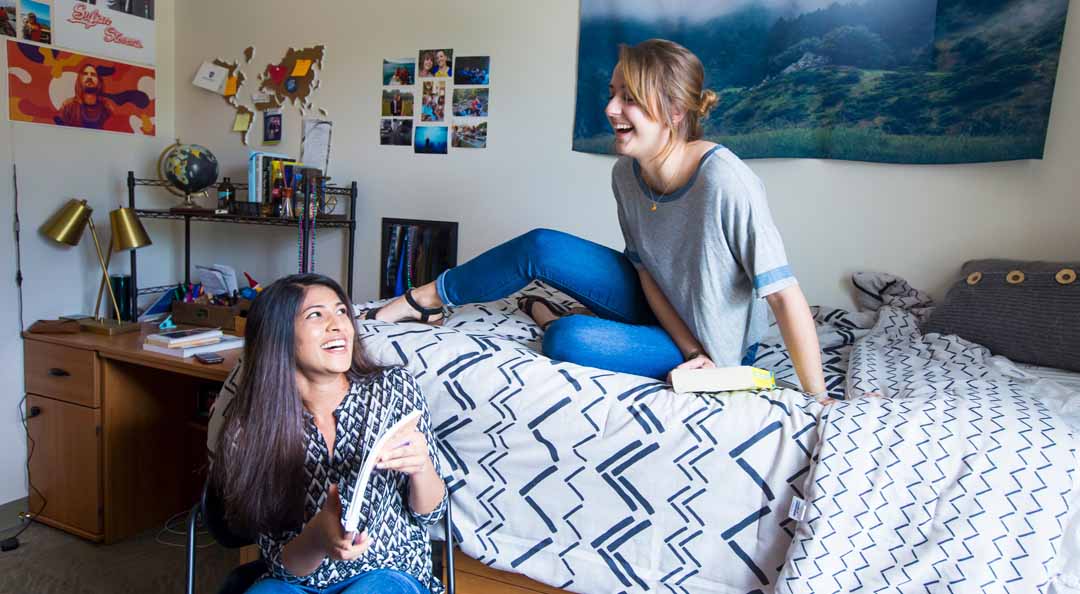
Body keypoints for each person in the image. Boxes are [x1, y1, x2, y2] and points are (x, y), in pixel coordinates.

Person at [365, 39, 827, 398]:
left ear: (674, 111)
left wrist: (817, 398)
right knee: (541, 244)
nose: (610, 109)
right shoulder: (625, 174)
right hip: (661, 306)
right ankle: (422, 299)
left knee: (568, 339)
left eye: (629, 98)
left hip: (715, 343)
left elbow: (784, 296)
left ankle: (547, 315)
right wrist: (679, 342)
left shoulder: (726, 181)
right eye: (612, 94)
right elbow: (644, 269)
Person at [211, 274, 447, 594]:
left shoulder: (394, 388)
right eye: (316, 315)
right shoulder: (250, 427)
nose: (338, 324)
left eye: (341, 311)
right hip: (298, 579)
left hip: (389, 571)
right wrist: (318, 538)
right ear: (277, 336)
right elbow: (284, 567)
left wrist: (422, 468)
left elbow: (431, 513)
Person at [58, 64, 111, 129]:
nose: (89, 77)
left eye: (93, 74)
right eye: (85, 74)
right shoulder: (68, 106)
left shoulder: (106, 109)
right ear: (79, 79)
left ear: (99, 81)